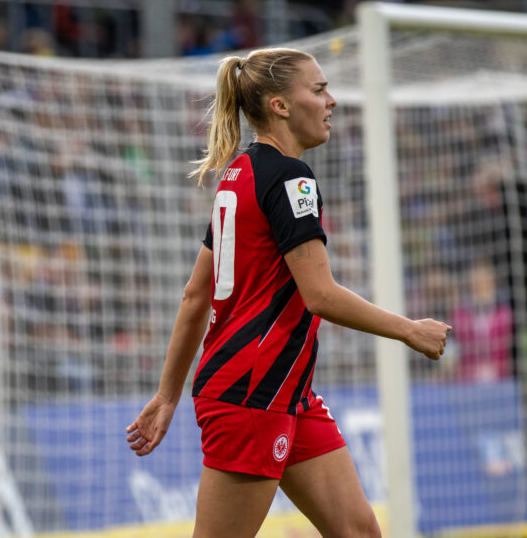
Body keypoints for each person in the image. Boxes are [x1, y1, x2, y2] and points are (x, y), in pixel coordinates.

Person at [126, 47, 451, 537]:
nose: (331, 101)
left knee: (360, 532)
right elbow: (320, 295)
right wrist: (408, 330)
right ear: (279, 105)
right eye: (319, 90)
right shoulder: (291, 179)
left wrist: (168, 394)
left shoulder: (240, 173)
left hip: (287, 393)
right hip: (251, 392)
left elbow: (196, 295)